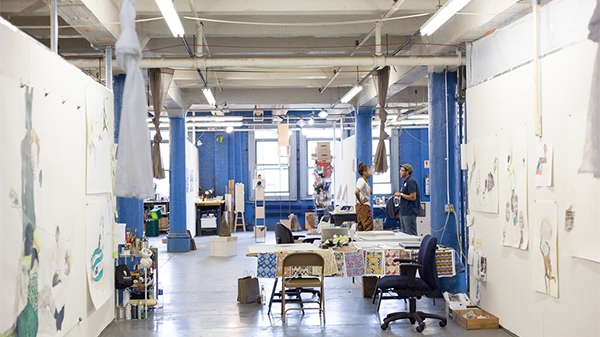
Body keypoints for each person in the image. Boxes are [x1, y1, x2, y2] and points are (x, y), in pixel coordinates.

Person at [394, 164, 420, 236]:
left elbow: (413, 197)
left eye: (402, 171)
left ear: (407, 172)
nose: (400, 172)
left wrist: (401, 194)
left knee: (410, 233)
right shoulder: (405, 182)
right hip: (404, 210)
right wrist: (400, 199)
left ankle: (414, 246)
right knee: (405, 233)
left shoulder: (411, 181)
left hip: (410, 211)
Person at [354, 162, 373, 231]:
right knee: (367, 226)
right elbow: (356, 192)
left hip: (365, 205)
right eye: (368, 171)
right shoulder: (361, 181)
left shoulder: (364, 181)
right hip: (363, 205)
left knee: (362, 226)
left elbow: (371, 192)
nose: (370, 173)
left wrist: (367, 181)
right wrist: (360, 201)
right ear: (364, 172)